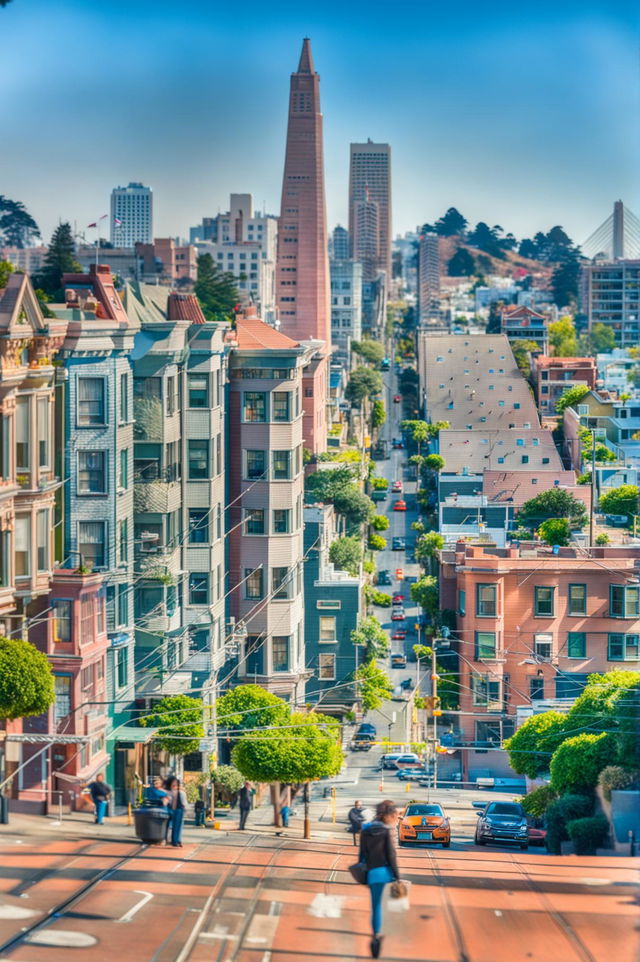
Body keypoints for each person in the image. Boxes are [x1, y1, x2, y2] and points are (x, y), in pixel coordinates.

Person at [359, 799, 400, 959]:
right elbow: (391, 855)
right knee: (385, 904)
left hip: (371, 872)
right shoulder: (385, 831)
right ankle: (381, 934)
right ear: (388, 815)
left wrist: (364, 873)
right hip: (385, 873)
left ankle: (375, 936)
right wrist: (397, 876)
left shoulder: (366, 830)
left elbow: (362, 855)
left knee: (375, 905)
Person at [165, 776, 187, 847]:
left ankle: (176, 841)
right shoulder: (168, 793)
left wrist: (184, 811)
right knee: (170, 826)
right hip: (170, 810)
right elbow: (167, 801)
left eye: (176, 784)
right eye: (173, 784)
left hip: (179, 810)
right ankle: (171, 840)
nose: (175, 785)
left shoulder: (181, 793)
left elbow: (184, 803)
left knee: (178, 826)